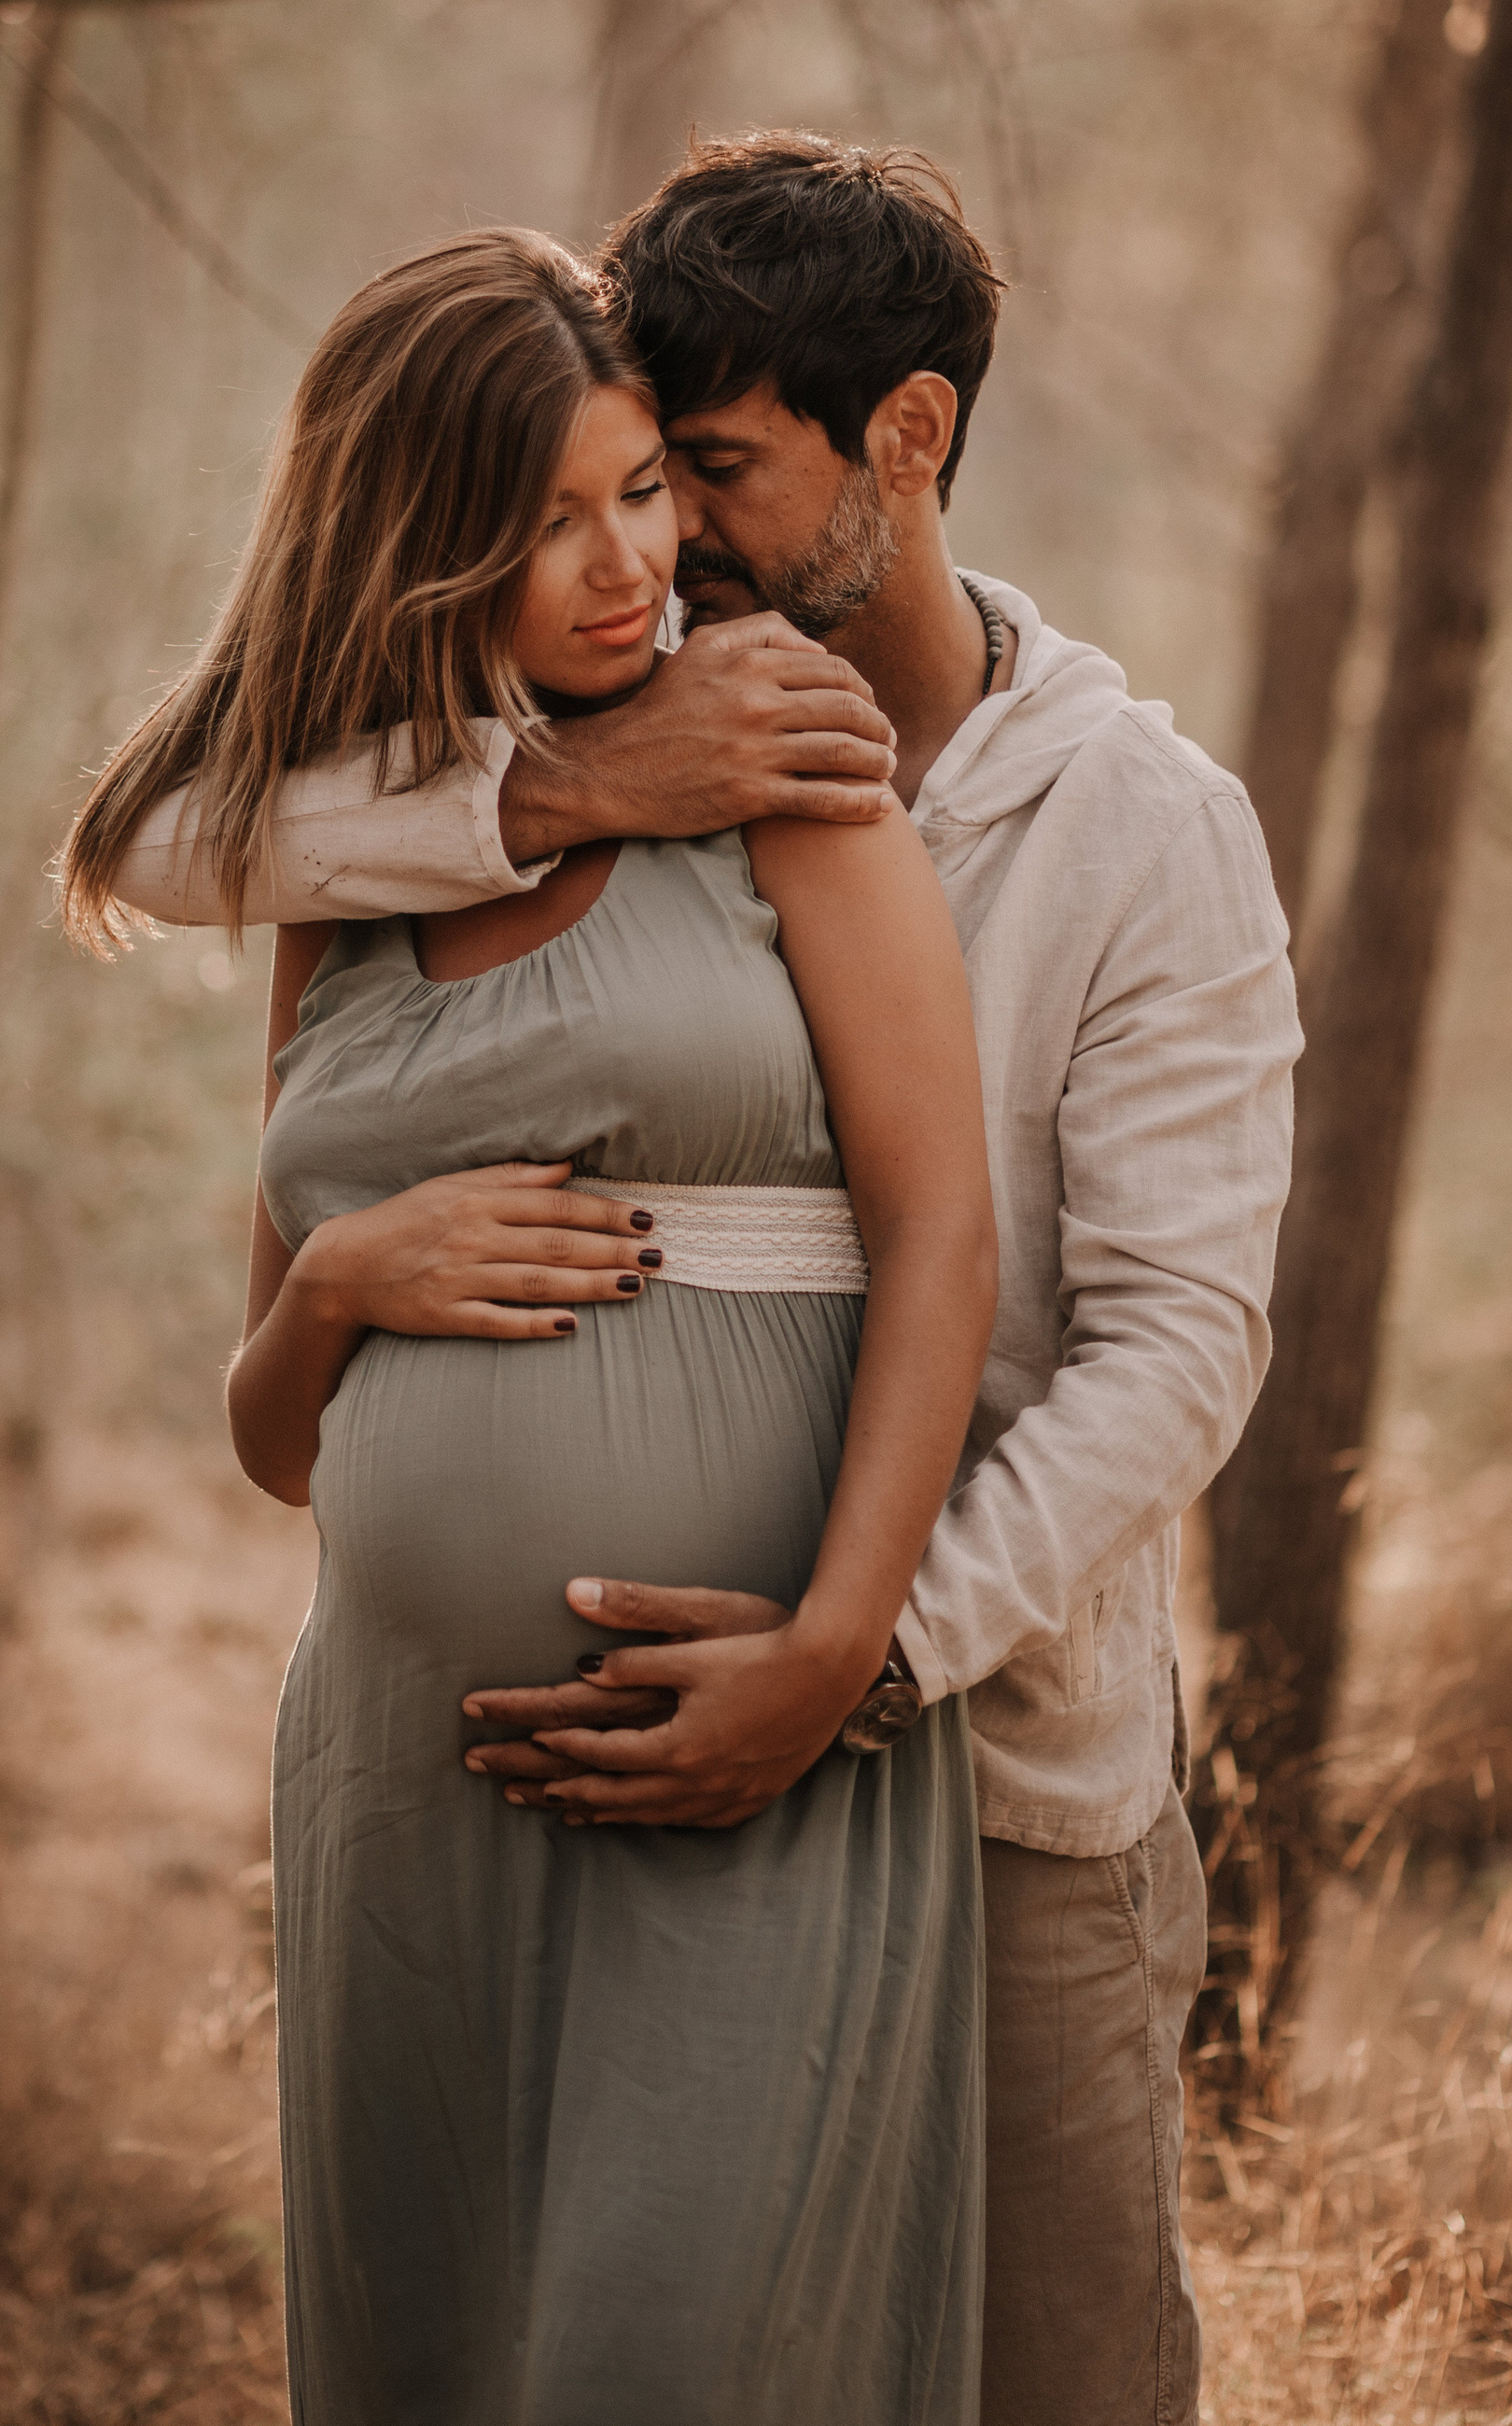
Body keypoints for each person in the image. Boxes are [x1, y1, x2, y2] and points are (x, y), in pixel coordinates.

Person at [147, 136, 1304, 2426]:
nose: (662, 540)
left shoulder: (1132, 825)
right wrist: (570, 796)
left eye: (701, 473)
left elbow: (1176, 1349)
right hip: (471, 1788)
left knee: (1038, 2377)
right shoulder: (520, 757)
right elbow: (171, 840)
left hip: (979, 1755)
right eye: (611, 485)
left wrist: (851, 1657)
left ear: (908, 437)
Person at [63, 227, 1000, 2426]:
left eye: (641, 491)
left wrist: (834, 1648)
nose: (623, 564)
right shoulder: (349, 871)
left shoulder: (783, 769)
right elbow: (274, 1442)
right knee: (438, 2365)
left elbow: (942, 1229)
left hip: (743, 1751)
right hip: (407, 1785)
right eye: (544, 521)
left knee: (664, 2366)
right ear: (414, 551)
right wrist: (332, 1282)